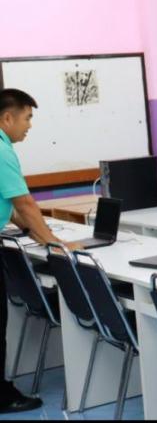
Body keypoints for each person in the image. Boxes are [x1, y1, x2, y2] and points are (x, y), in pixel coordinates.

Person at [0, 89, 82, 413]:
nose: (29, 126)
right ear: (8, 118)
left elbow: (12, 207)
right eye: (27, 118)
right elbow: (25, 203)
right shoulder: (2, 149)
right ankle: (3, 396)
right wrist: (53, 242)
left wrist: (34, 230)